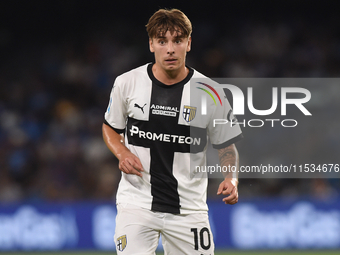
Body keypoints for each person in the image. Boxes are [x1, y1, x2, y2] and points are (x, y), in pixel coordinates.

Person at [102, 8, 243, 254]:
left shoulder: (212, 93)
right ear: (151, 44)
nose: (170, 49)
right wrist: (122, 153)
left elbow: (226, 145)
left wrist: (231, 178)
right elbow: (110, 128)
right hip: (137, 203)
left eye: (177, 41)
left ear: (188, 43)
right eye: (162, 41)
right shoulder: (127, 83)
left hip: (189, 209)